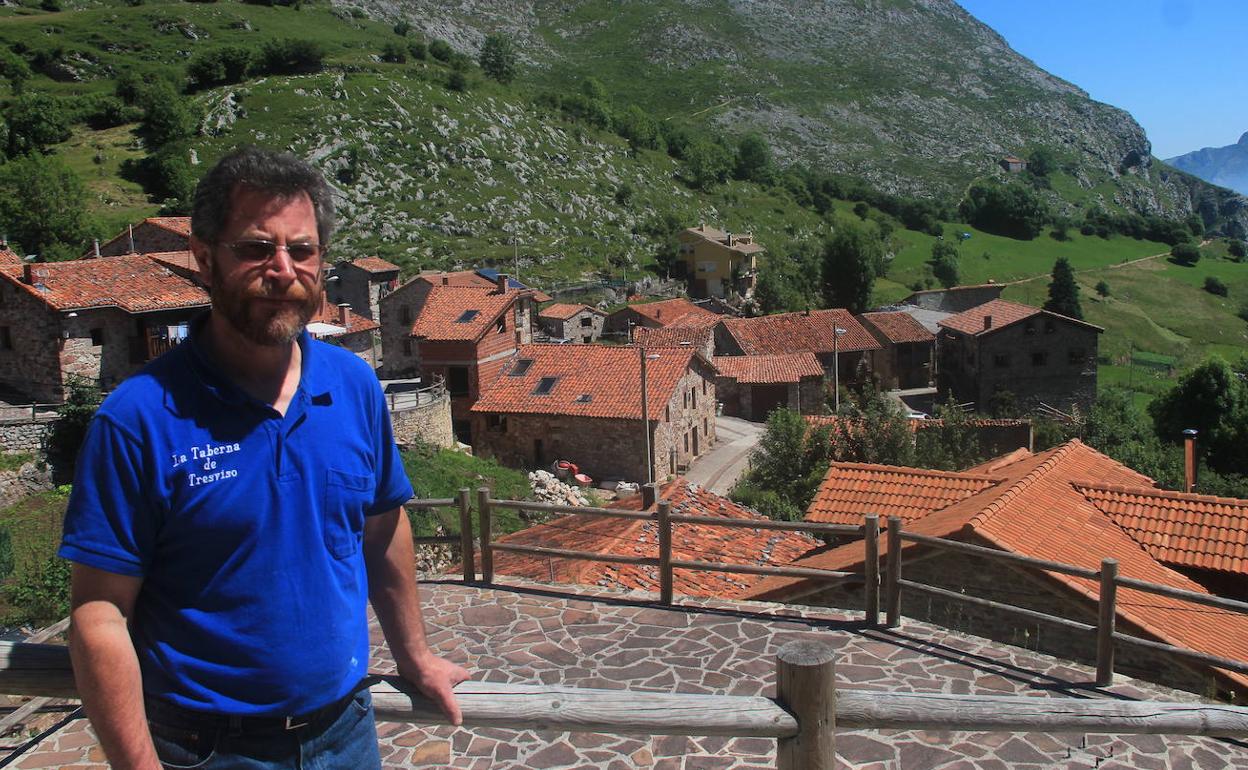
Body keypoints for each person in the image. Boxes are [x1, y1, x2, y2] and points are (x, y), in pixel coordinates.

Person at [59, 146, 469, 769]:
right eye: (256, 249)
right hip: (207, 748)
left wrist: (415, 655)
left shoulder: (354, 385)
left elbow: (383, 525)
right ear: (204, 258)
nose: (283, 269)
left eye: (301, 250)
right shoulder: (137, 418)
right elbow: (99, 611)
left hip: (346, 732)